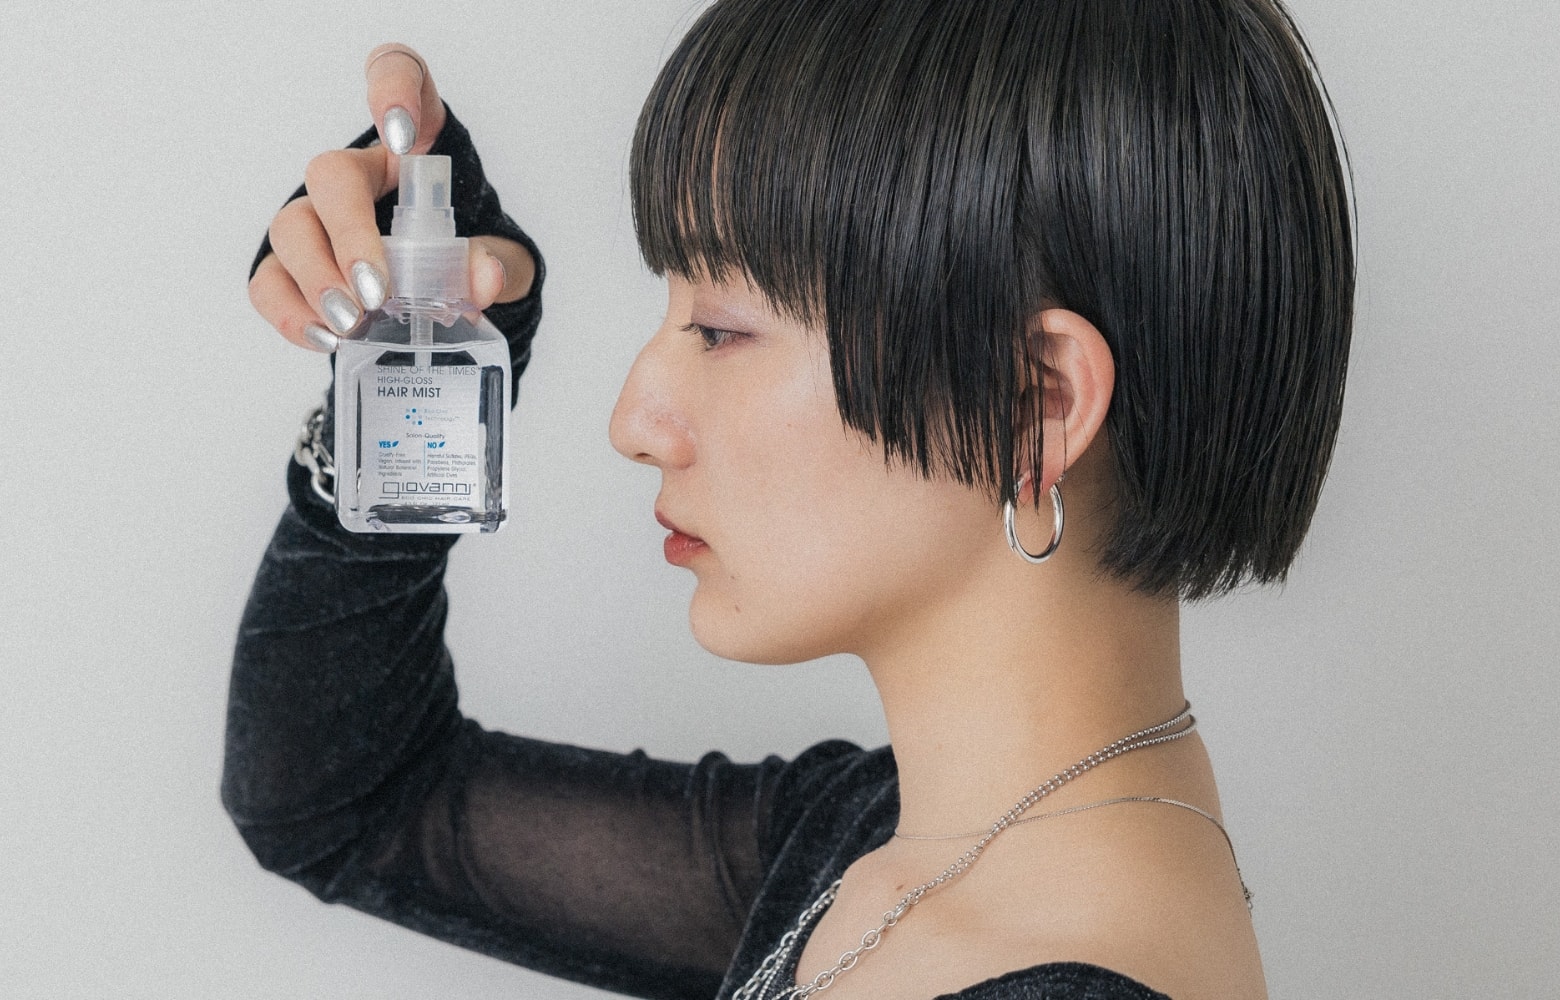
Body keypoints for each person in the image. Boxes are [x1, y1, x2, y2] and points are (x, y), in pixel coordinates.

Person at [226, 2, 1353, 998]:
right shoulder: (881, 845)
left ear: (1033, 406)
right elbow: (346, 800)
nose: (633, 422)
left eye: (720, 329)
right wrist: (431, 353)